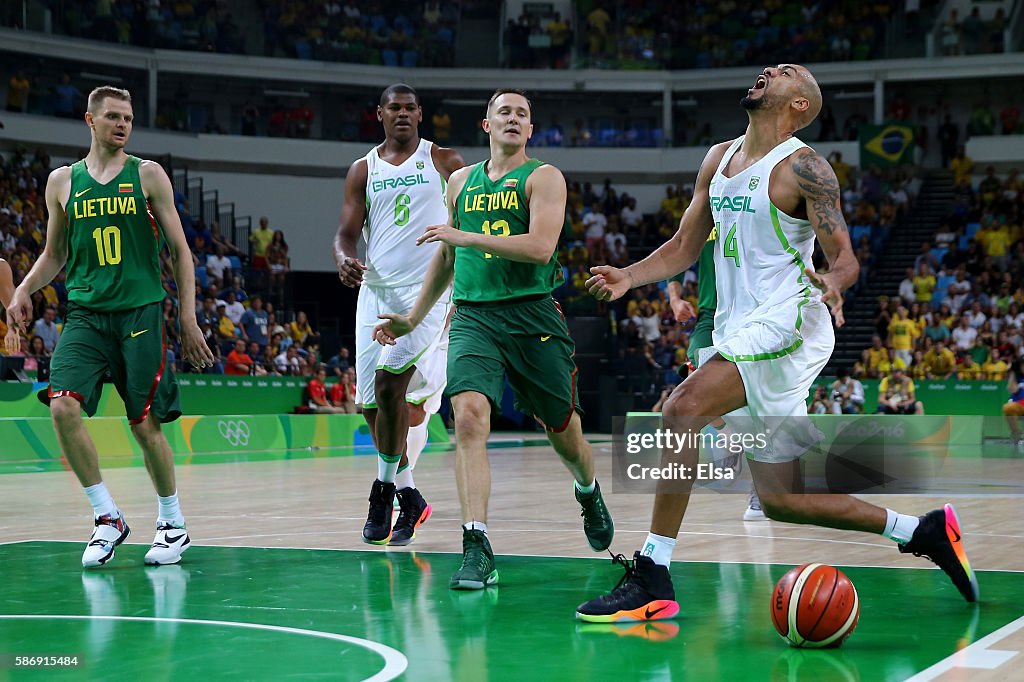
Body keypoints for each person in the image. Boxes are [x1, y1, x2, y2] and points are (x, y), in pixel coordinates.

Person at [579, 64, 978, 622]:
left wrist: (833, 284)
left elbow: (844, 258)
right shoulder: (717, 159)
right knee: (781, 500)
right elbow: (683, 245)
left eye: (786, 73)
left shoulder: (806, 167)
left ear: (800, 105)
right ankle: (921, 530)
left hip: (790, 322)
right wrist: (631, 275)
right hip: (738, 327)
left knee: (681, 408)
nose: (769, 71)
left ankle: (654, 572)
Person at [374, 89, 614, 588]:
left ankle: (587, 489)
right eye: (504, 111)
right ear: (486, 125)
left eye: (522, 115)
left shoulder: (544, 178)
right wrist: (413, 317)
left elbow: (540, 248)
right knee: (467, 418)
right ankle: (476, 543)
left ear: (530, 131)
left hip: (532, 316)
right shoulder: (461, 182)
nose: (513, 119)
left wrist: (466, 237)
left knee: (563, 431)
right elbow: (446, 257)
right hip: (474, 317)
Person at [6, 85, 214, 569]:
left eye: (129, 118)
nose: (123, 124)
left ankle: (173, 524)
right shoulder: (62, 182)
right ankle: (107, 517)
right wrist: (23, 290)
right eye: (114, 117)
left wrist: (187, 316)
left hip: (140, 314)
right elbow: (55, 254)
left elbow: (181, 251)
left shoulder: (148, 175)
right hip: (85, 316)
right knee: (62, 409)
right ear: (90, 120)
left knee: (145, 425)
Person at [335, 84, 466, 547]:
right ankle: (409, 494)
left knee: (395, 388)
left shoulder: (445, 161)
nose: (404, 114)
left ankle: (383, 490)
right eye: (395, 107)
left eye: (411, 108)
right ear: (380, 114)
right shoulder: (361, 170)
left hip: (428, 295)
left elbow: (471, 226)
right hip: (375, 292)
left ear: (421, 114)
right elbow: (347, 232)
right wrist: (342, 256)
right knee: (371, 407)